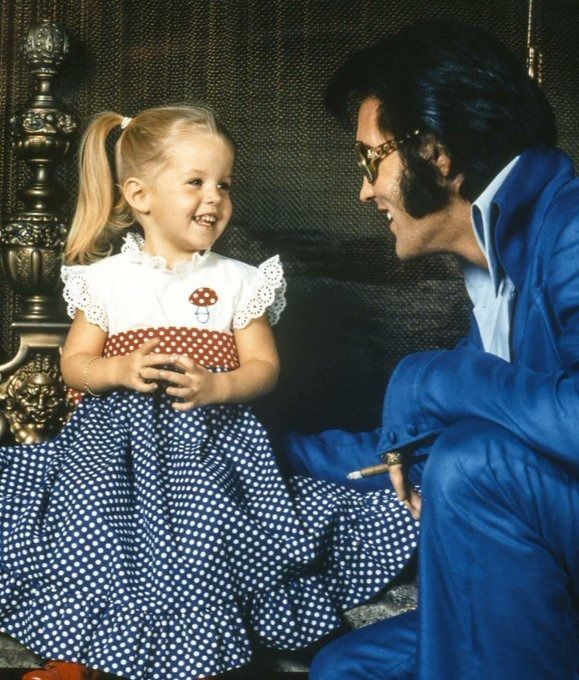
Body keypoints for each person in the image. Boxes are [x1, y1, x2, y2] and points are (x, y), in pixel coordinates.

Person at [0, 104, 420, 680]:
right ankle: (77, 659)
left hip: (207, 445)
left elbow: (263, 368)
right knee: (85, 524)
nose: (215, 197)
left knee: (209, 535)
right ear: (139, 195)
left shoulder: (238, 280)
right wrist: (117, 372)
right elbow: (75, 365)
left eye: (224, 183)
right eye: (195, 182)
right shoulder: (104, 281)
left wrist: (219, 384)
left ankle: (202, 651)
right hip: (112, 449)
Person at [298, 20, 579, 680]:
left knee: (473, 461)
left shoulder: (570, 226)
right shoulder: (493, 267)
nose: (364, 190)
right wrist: (237, 445)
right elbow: (411, 441)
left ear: (433, 152)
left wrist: (429, 376)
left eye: (370, 160)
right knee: (348, 668)